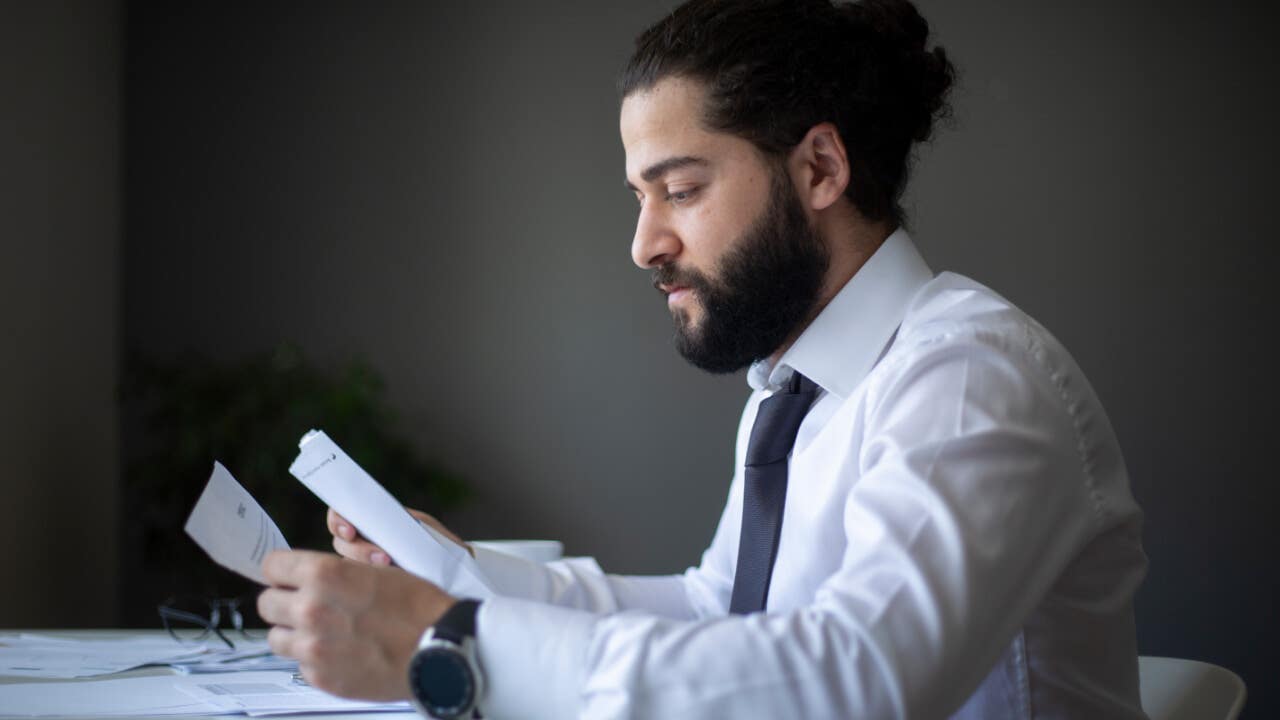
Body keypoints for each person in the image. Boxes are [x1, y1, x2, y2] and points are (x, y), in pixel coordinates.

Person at [256, 0, 1148, 717]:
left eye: (681, 189)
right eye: (641, 197)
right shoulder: (791, 392)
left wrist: (457, 642)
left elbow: (863, 678)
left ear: (820, 168)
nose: (644, 243)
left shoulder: (968, 379)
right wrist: (459, 579)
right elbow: (721, 610)